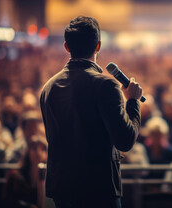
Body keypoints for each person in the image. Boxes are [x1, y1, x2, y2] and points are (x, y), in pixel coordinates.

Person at [40, 16, 142, 208]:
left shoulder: (48, 87)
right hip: (98, 188)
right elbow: (125, 140)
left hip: (62, 187)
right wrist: (133, 101)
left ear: (66, 47)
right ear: (98, 46)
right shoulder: (105, 84)